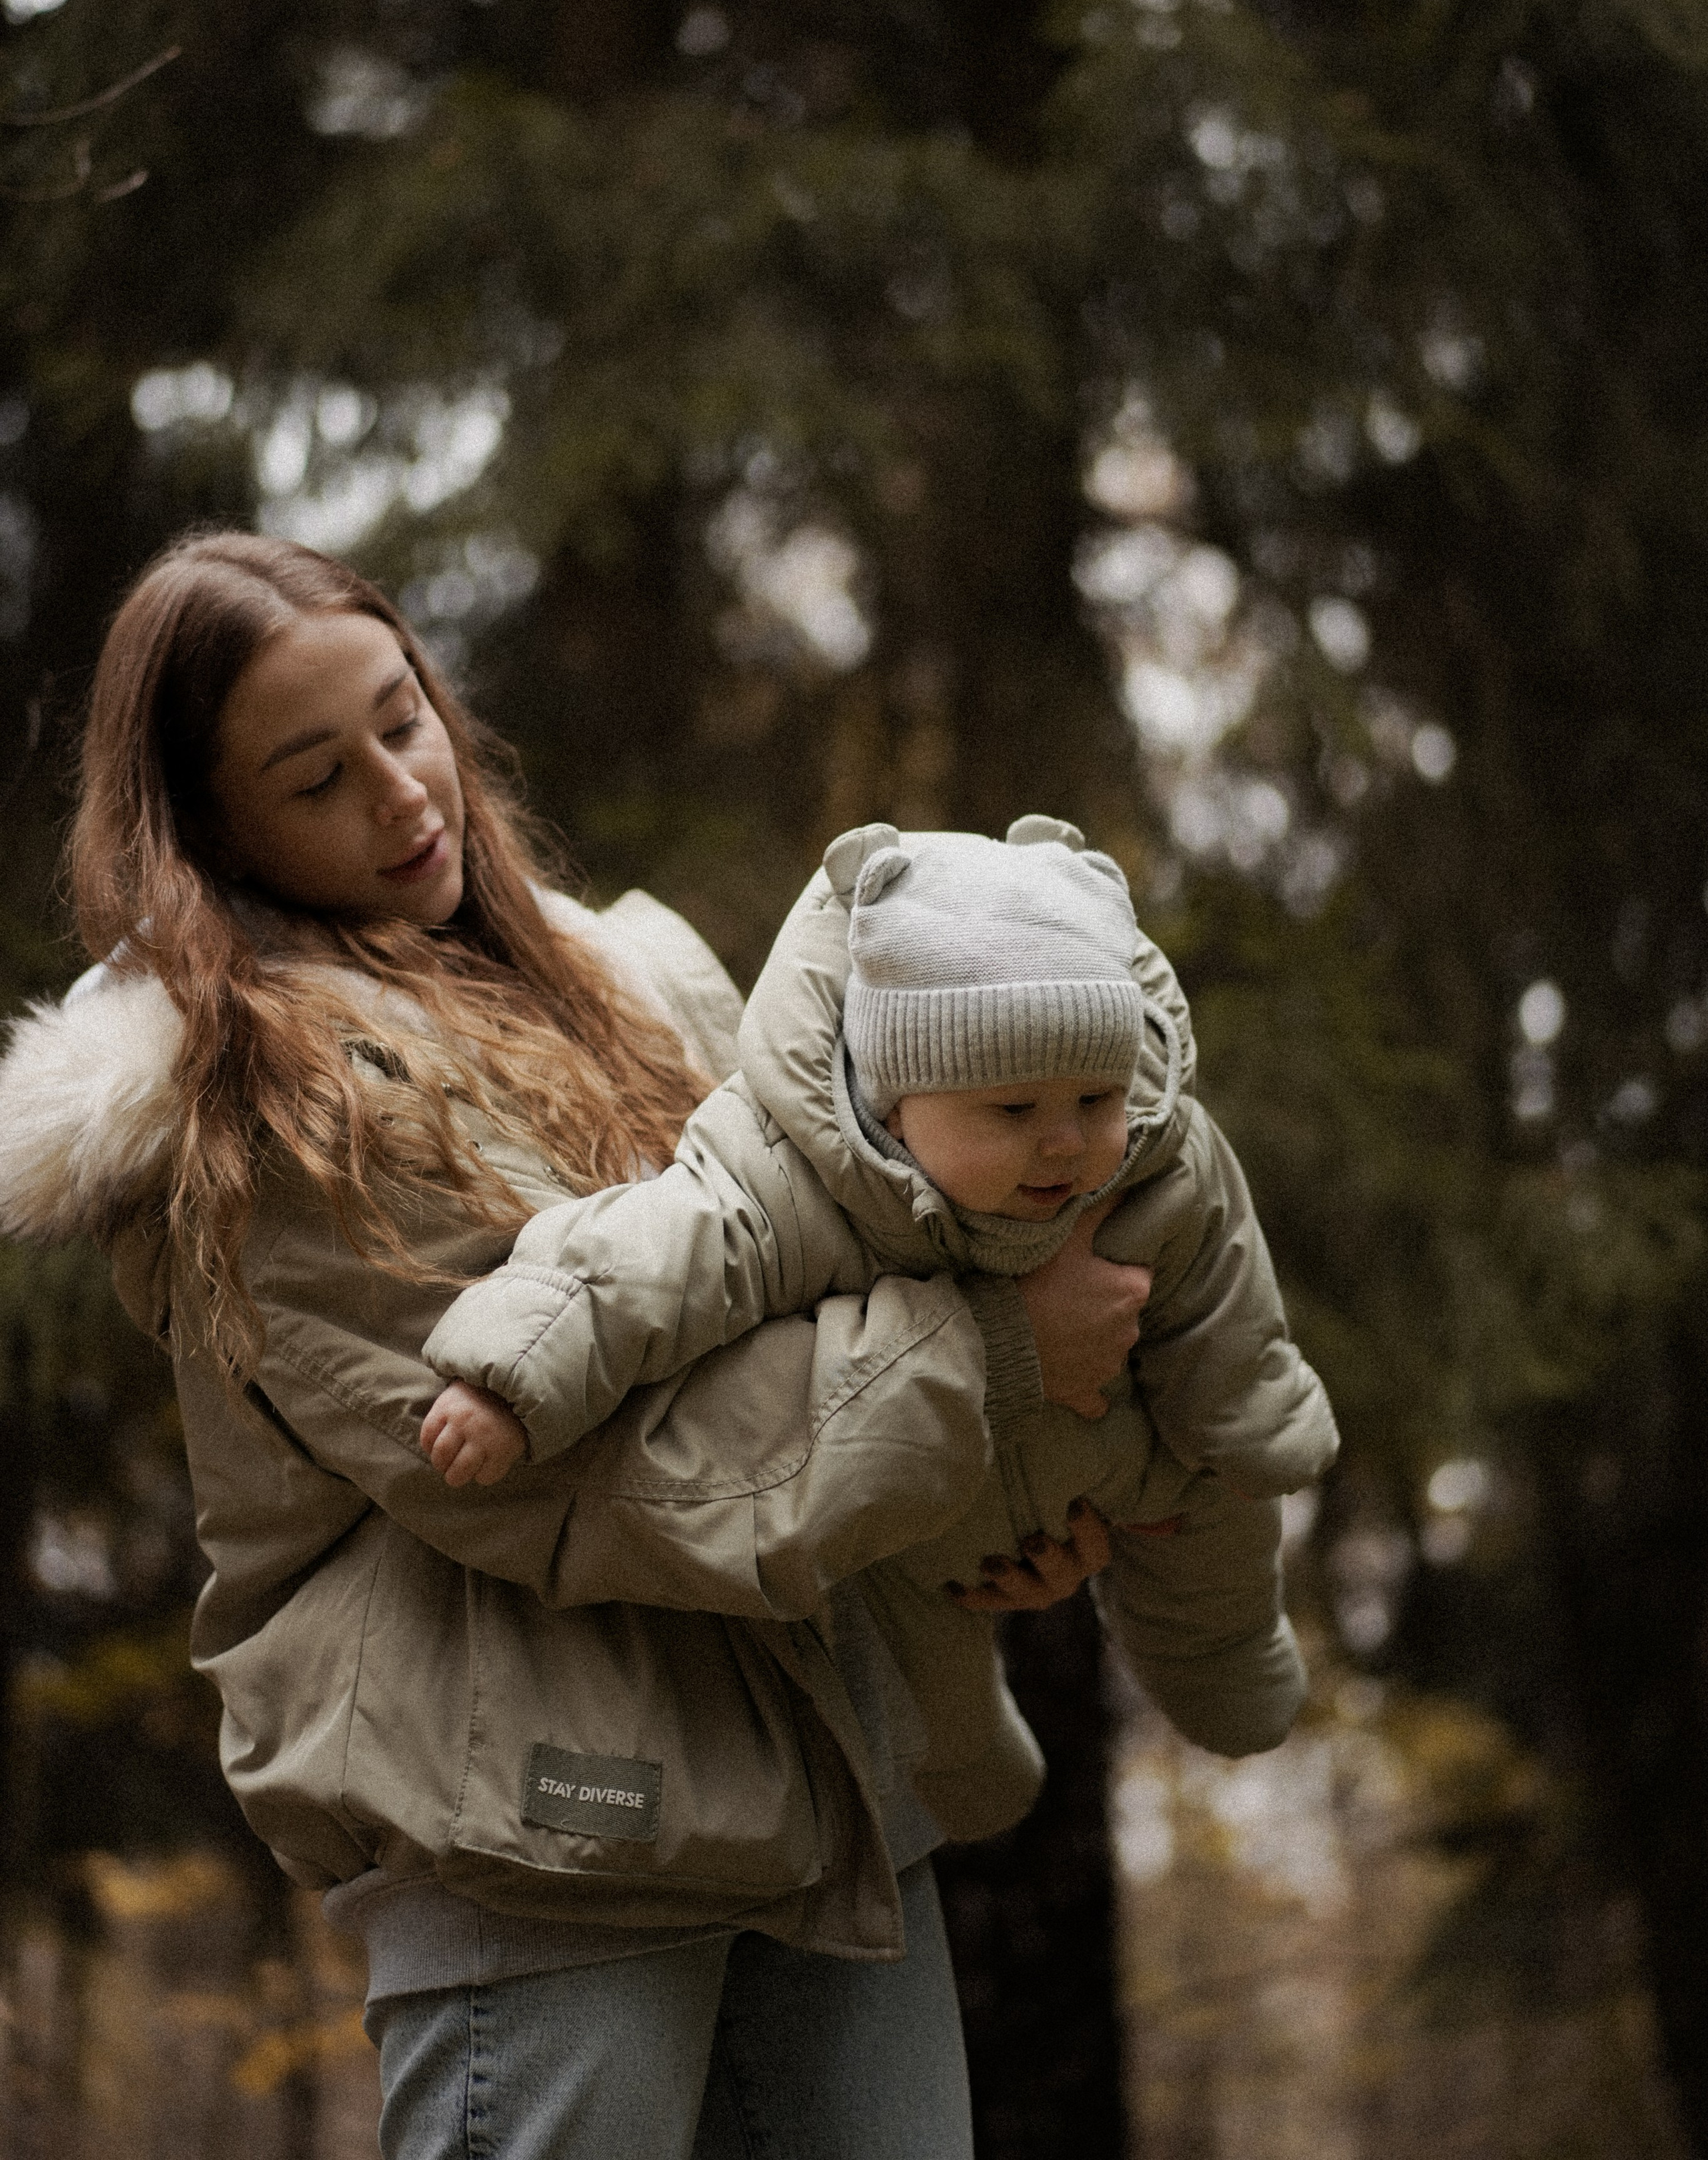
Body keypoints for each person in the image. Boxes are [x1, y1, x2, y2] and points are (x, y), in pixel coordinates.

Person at [0, 530, 1156, 2160]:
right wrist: (1000, 1358)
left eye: (403, 722)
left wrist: (979, 1525)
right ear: (214, 834)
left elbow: (818, 1306)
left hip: (823, 1798)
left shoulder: (622, 982)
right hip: (545, 1851)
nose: (403, 796)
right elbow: (595, 1472)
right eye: (316, 777)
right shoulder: (257, 1112)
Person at [419, 821, 1338, 1774]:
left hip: (1115, 1454)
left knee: (1219, 1504)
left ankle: (1226, 1659)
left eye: (1095, 1101)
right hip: (927, 1500)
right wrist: (516, 1370)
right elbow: (652, 1256)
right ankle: (963, 1759)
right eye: (1016, 1111)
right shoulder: (793, 1179)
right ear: (896, 1100)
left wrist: (1247, 1407)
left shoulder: (1155, 1156)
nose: (1065, 1142)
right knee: (910, 1643)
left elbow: (1224, 1273)